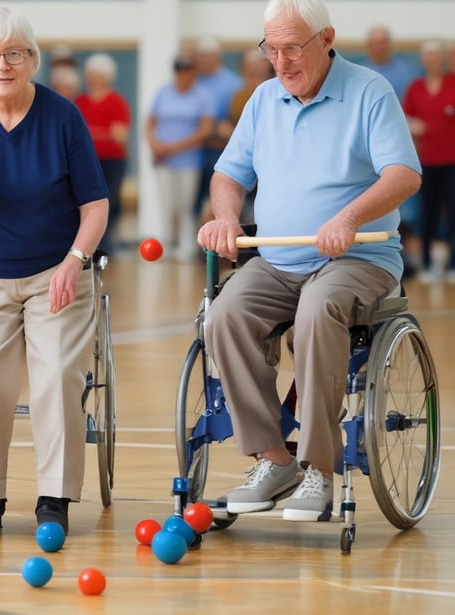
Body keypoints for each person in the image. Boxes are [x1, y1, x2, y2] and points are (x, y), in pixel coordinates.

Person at [197, 0, 421, 522]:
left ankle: (318, 468)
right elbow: (228, 174)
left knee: (318, 308)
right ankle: (274, 460)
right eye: (270, 49)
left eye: (292, 48)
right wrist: (227, 217)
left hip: (359, 255)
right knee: (224, 314)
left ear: (326, 39)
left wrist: (348, 218)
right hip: (277, 259)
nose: (281, 61)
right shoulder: (262, 98)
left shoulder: (369, 91)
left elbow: (403, 174)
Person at [0, 6, 108, 536]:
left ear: (32, 59)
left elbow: (95, 205)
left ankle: (54, 496)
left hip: (57, 272)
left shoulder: (62, 116)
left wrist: (74, 263)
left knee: (55, 375)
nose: (0, 64)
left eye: (12, 53)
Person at [146, 54, 215, 261]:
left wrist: (174, 147)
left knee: (186, 204)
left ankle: (187, 246)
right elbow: (150, 123)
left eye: (187, 72)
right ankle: (166, 244)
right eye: (180, 72)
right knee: (167, 203)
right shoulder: (163, 93)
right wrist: (155, 145)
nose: (183, 76)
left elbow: (205, 130)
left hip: (188, 160)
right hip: (164, 159)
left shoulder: (202, 95)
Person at [403, 40, 455, 284]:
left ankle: (452, 265)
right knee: (427, 213)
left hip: (452, 162)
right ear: (423, 60)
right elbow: (404, 116)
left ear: (443, 59)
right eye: (428, 55)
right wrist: (413, 125)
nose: (432, 59)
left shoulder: (453, 84)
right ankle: (425, 264)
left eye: (436, 55)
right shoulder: (416, 87)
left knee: (453, 212)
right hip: (425, 162)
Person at [75, 53, 131, 254]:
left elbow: (119, 136)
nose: (89, 76)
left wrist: (90, 133)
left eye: (94, 73)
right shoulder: (80, 101)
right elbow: (75, 134)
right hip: (87, 160)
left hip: (113, 160)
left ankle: (108, 243)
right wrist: (102, 132)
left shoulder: (116, 102)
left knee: (111, 200)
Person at [215, 49, 276, 224]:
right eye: (249, 74)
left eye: (258, 74)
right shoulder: (238, 97)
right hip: (244, 162)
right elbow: (226, 127)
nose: (253, 80)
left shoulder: (275, 96)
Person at [191, 37, 243, 223]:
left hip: (219, 149)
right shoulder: (193, 81)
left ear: (217, 57)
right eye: (199, 56)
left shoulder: (233, 84)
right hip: (194, 150)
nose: (200, 60)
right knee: (194, 200)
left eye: (205, 56)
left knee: (217, 195)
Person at [360, 25, 420, 101]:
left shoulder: (407, 72)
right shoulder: (359, 73)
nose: (378, 48)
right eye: (375, 43)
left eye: (382, 42)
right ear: (368, 46)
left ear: (389, 44)